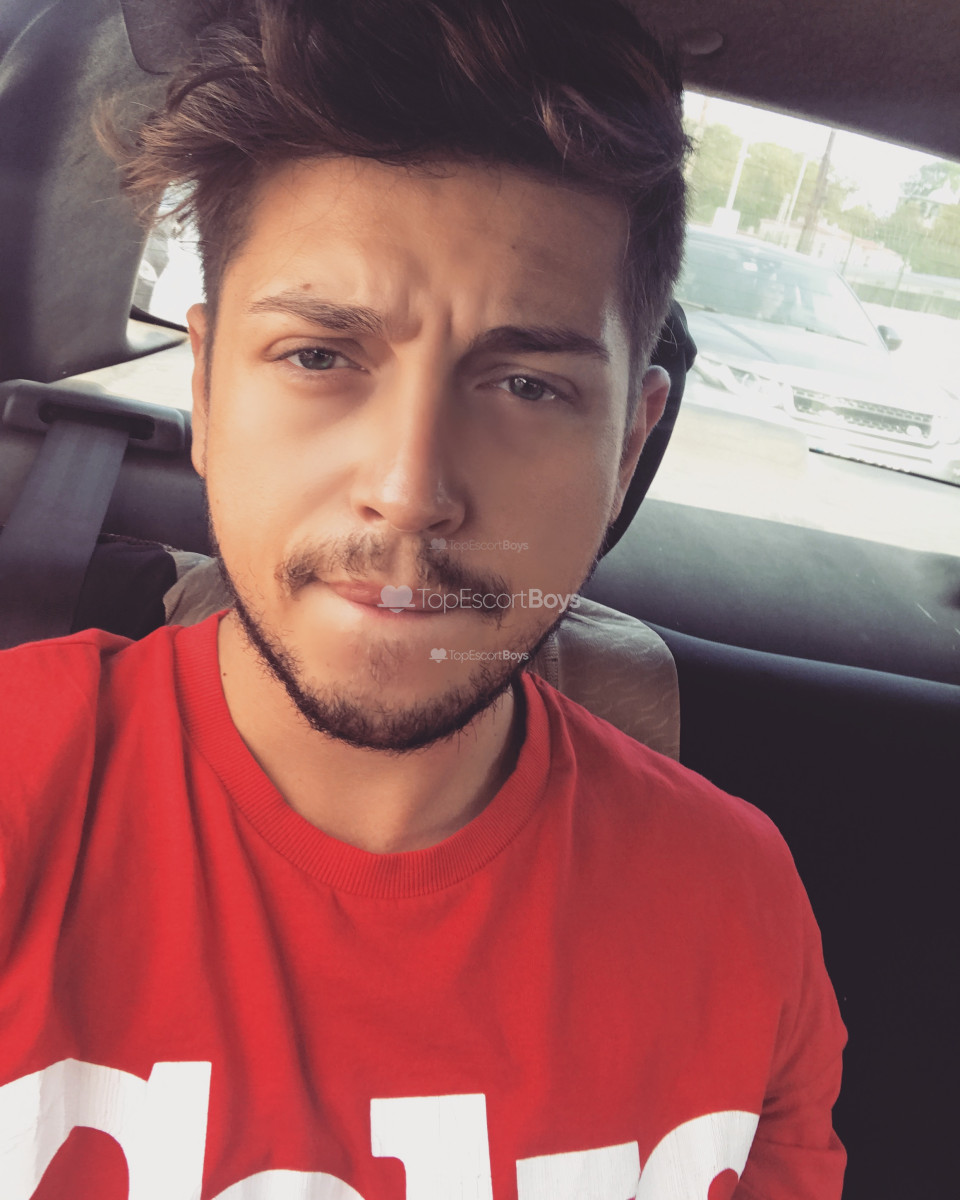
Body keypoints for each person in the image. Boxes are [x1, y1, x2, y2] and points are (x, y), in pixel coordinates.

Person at [0, 1, 845, 1196]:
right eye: (319, 357)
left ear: (628, 447)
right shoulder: (23, 781)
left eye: (527, 385)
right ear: (206, 391)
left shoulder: (738, 909)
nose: (409, 492)